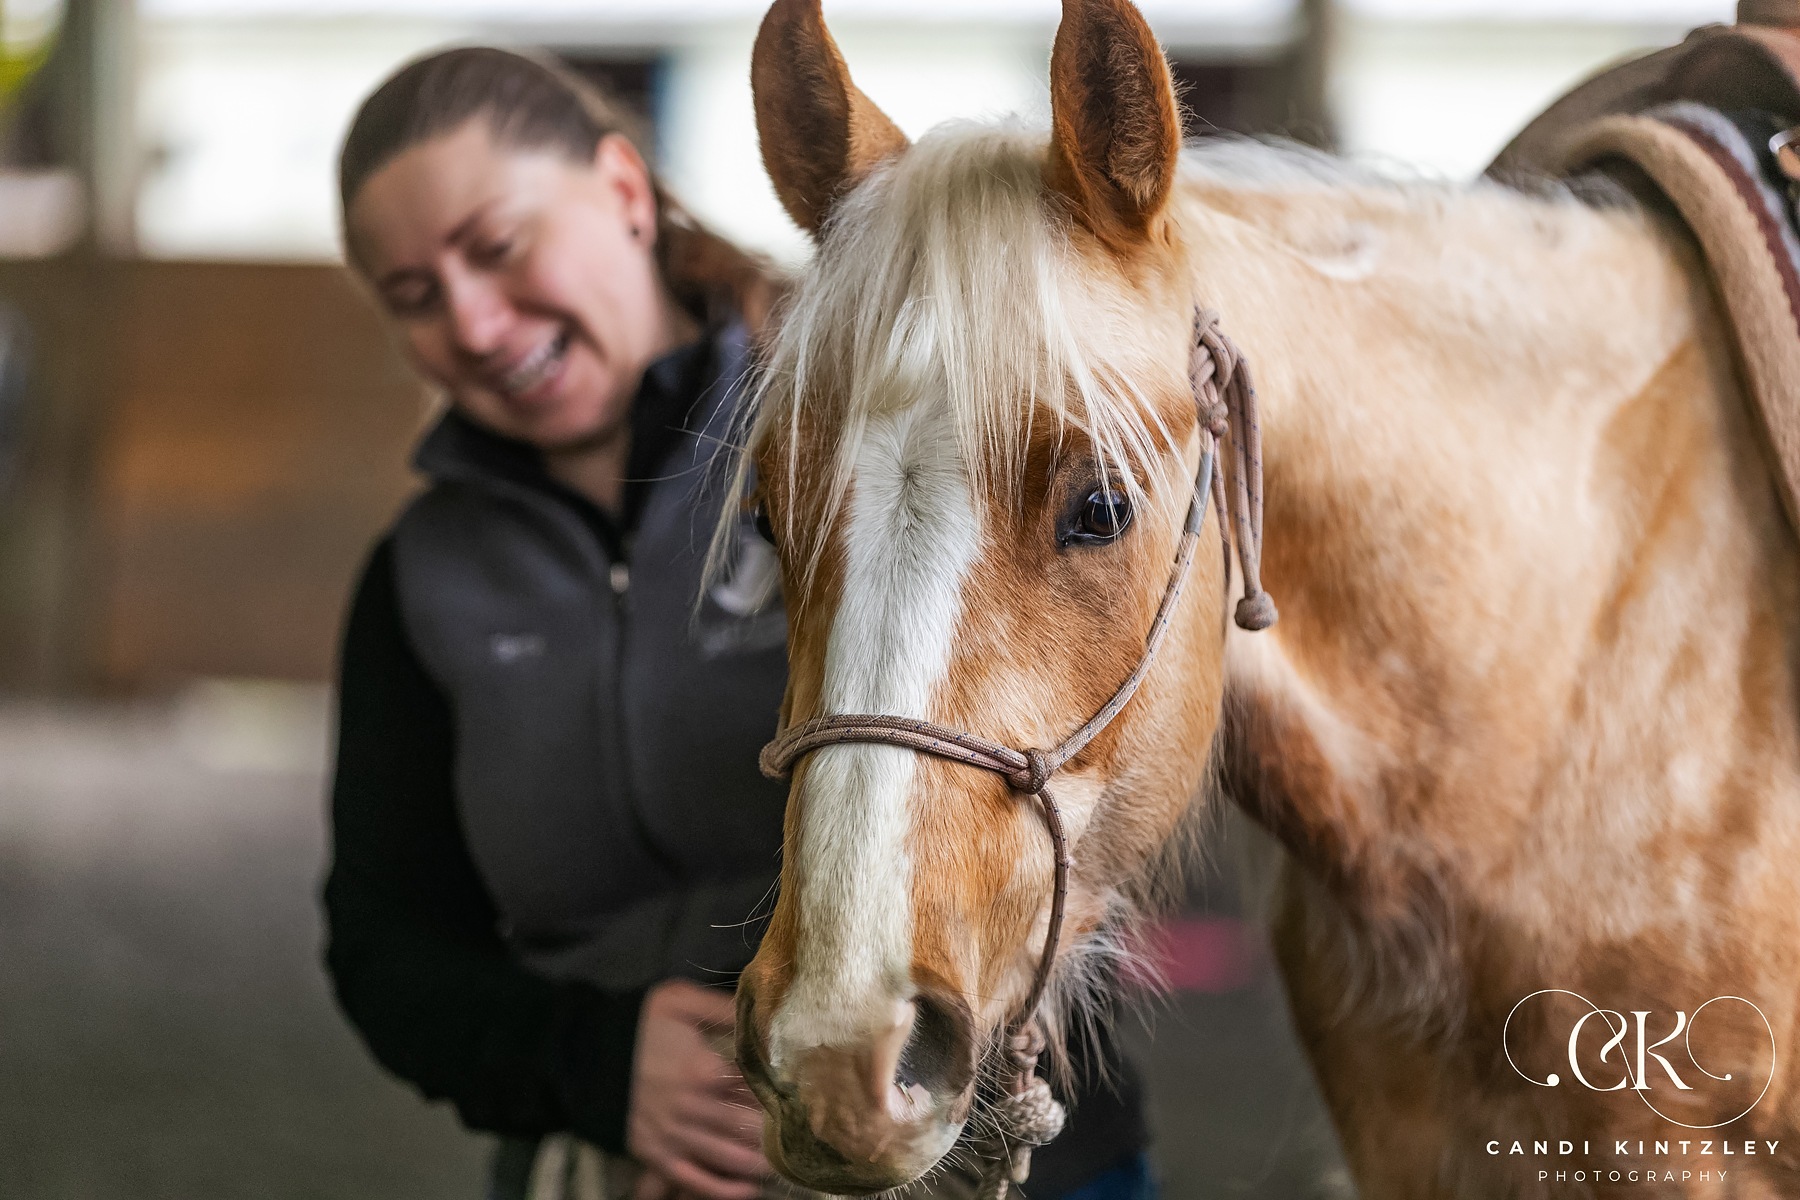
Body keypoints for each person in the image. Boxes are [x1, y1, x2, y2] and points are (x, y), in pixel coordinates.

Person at [323, 45, 1153, 1200]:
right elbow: (386, 944)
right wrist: (596, 1066)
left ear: (623, 193)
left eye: (498, 248)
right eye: (413, 296)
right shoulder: (423, 579)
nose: (470, 318)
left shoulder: (892, 436)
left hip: (995, 1149)